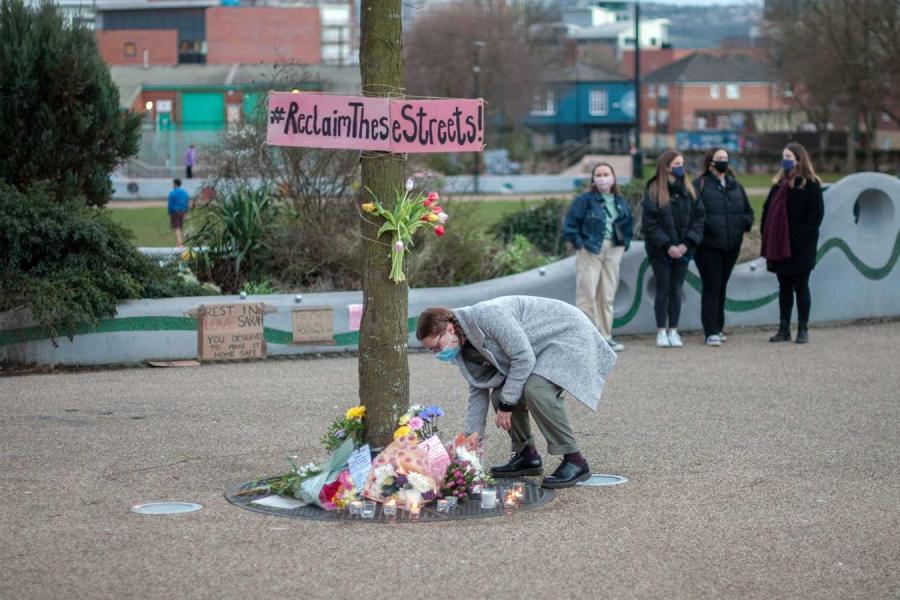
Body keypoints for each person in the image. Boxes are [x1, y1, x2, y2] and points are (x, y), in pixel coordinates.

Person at [416, 296, 617, 489]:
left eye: (436, 347)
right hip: (536, 348)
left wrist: (508, 404)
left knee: (537, 390)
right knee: (498, 395)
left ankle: (574, 460)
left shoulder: (488, 315)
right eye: (432, 351)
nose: (438, 354)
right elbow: (478, 391)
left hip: (566, 333)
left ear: (449, 329)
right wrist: (470, 445)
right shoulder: (463, 349)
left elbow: (523, 358)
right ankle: (526, 455)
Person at [563, 162, 634, 352]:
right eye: (599, 175)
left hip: (613, 250)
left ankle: (606, 336)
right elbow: (570, 225)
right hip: (591, 249)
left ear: (613, 177)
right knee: (587, 294)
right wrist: (580, 245)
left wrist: (623, 244)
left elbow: (628, 223)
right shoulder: (585, 200)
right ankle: (587, 337)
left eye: (606, 174)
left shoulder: (619, 199)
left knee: (607, 294)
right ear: (593, 179)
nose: (602, 178)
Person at [760, 142, 824, 344]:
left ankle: (803, 328)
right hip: (780, 246)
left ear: (799, 159)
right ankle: (784, 328)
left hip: (801, 246)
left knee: (801, 286)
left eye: (788, 156)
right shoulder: (779, 184)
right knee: (784, 287)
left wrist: (799, 236)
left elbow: (816, 215)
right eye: (784, 156)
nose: (785, 160)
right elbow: (767, 210)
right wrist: (767, 233)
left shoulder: (811, 184)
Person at [641, 150, 705, 348]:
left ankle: (673, 330)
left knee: (677, 289)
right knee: (663, 289)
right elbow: (650, 224)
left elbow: (699, 218)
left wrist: (686, 244)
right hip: (661, 251)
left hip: (684, 250)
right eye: (677, 163)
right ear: (667, 166)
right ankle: (661, 331)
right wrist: (668, 245)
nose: (681, 166)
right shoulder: (653, 191)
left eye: (682, 163)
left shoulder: (689, 191)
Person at [692, 148, 754, 346]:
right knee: (711, 286)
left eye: (726, 159)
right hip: (708, 246)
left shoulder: (735, 185)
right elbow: (695, 214)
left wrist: (744, 224)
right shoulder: (700, 185)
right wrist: (707, 231)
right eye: (719, 159)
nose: (723, 162)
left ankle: (718, 327)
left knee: (722, 286)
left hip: (731, 245)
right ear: (710, 162)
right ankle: (710, 331)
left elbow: (747, 210)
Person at [167, 178, 190, 248]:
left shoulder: (172, 193)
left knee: (176, 228)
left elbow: (170, 204)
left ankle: (180, 243)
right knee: (180, 227)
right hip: (182, 211)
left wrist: (170, 212)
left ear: (175, 184)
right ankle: (178, 243)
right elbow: (186, 203)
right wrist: (186, 212)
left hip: (175, 211)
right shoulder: (185, 193)